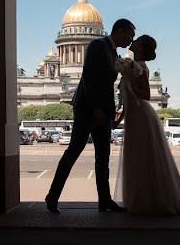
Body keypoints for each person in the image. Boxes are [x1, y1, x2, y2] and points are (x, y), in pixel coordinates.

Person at [45, 18, 135, 213]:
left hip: (102, 110)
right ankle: (52, 197)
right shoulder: (97, 45)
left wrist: (111, 112)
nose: (131, 39)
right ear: (119, 31)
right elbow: (89, 78)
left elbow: (106, 85)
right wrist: (98, 110)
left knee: (103, 158)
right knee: (73, 153)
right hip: (89, 110)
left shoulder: (112, 52)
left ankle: (105, 201)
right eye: (130, 34)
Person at [114, 35, 180, 215]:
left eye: (137, 40)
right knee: (137, 158)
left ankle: (149, 200)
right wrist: (117, 121)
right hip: (134, 115)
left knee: (143, 157)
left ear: (141, 48)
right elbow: (127, 103)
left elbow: (146, 95)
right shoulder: (131, 66)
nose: (132, 42)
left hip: (141, 115)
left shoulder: (139, 67)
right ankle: (141, 199)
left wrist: (130, 84)